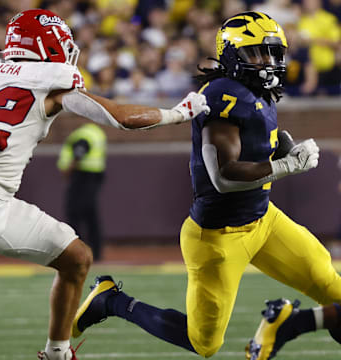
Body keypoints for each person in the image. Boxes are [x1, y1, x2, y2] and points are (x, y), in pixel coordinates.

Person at [71, 11, 341, 360]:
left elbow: (251, 143)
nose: (269, 62)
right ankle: (111, 300)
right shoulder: (224, 96)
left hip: (264, 221)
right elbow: (224, 176)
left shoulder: (256, 90)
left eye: (274, 52)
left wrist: (277, 148)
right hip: (218, 237)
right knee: (204, 343)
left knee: (334, 290)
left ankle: (288, 323)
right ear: (232, 55)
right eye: (258, 53)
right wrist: (285, 165)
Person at [0, 8, 209, 360]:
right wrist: (178, 113)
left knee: (75, 258)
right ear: (50, 46)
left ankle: (57, 352)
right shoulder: (52, 81)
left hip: (0, 201)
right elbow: (120, 117)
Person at [57, 123, 107, 261]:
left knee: (74, 213)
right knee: (90, 215)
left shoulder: (82, 134)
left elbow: (79, 151)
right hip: (94, 176)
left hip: (81, 176)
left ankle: (77, 252)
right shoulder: (97, 132)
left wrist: (69, 168)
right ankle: (95, 253)